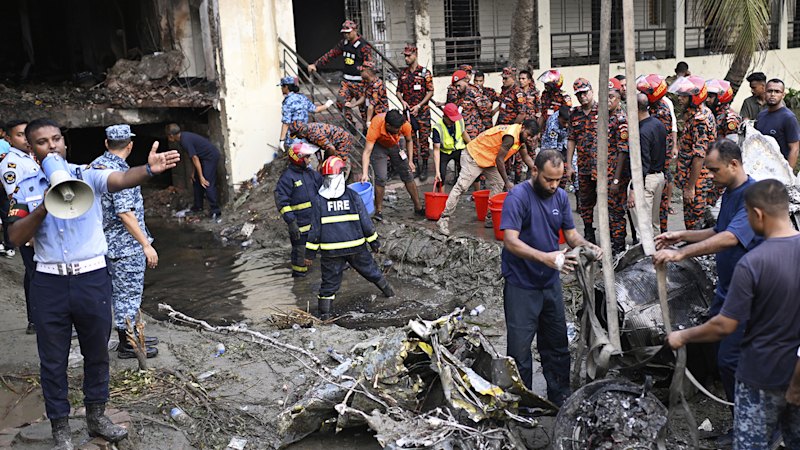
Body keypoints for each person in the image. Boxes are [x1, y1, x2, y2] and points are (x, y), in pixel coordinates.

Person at [6, 118, 180, 449]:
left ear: (64, 142)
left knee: (97, 352)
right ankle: (60, 430)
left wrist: (150, 169)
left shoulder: (86, 174)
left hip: (92, 279)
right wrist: (46, 204)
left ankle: (97, 416)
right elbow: (15, 236)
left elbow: (121, 178)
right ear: (32, 148)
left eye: (56, 138)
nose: (52, 145)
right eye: (42, 142)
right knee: (53, 360)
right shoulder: (25, 185)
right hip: (50, 281)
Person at [666, 179, 800, 450]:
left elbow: (724, 326)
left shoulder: (752, 263)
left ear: (758, 214)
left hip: (761, 379)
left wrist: (682, 336)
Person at [654, 139, 759, 434]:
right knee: (721, 357)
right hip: (727, 289)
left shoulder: (754, 195)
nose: (709, 176)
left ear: (734, 164)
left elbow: (731, 238)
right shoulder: (730, 193)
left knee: (732, 360)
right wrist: (681, 235)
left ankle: (747, 426)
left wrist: (681, 253)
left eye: (714, 170)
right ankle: (740, 419)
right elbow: (718, 230)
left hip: (747, 296)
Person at [501, 149, 602, 406]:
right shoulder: (517, 197)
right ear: (534, 171)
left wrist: (588, 246)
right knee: (520, 350)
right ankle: (521, 403)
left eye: (559, 180)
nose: (554, 185)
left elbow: (571, 236)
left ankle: (559, 395)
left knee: (556, 344)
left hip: (549, 284)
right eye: (549, 179)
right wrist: (548, 258)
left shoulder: (559, 198)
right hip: (521, 286)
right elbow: (510, 242)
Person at [92, 125, 159, 360]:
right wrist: (145, 244)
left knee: (121, 293)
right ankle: (128, 344)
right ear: (130, 145)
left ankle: (130, 335)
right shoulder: (119, 172)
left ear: (106, 143)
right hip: (124, 244)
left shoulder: (96, 165)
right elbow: (125, 212)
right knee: (128, 294)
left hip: (105, 241)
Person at [305, 156, 394, 320]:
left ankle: (324, 318)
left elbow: (315, 230)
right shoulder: (353, 196)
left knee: (329, 285)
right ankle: (391, 295)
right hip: (357, 248)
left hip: (331, 252)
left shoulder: (318, 200)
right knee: (372, 272)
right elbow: (366, 223)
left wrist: (309, 255)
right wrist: (374, 242)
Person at [436, 120, 539, 236]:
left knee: (498, 183)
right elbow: (500, 160)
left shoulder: (521, 138)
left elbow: (526, 157)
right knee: (461, 187)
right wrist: (507, 181)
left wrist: (537, 170)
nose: (530, 138)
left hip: (488, 159)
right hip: (474, 156)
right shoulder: (510, 136)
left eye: (532, 137)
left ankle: (490, 216)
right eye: (528, 135)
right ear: (523, 127)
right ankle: (443, 219)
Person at [0, 119, 37, 333]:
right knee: (35, 273)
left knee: (37, 272)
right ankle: (36, 320)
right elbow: (16, 199)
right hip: (28, 225)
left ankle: (40, 318)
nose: (25, 138)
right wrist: (28, 230)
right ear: (8, 138)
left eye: (27, 134)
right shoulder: (11, 164)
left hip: (40, 224)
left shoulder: (31, 157)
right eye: (20, 135)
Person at [668, 76, 717, 230]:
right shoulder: (696, 114)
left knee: (694, 224)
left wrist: (690, 187)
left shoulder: (699, 120)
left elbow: (699, 156)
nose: (680, 99)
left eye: (684, 96)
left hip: (698, 180)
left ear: (694, 97)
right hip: (694, 178)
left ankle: (696, 252)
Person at [359, 110, 423, 221]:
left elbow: (409, 140)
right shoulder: (375, 126)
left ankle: (418, 207)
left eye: (400, 128)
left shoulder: (404, 125)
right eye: (396, 129)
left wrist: (410, 160)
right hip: (379, 146)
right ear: (387, 125)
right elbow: (367, 151)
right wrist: (364, 173)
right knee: (381, 178)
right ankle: (378, 211)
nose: (399, 130)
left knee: (407, 174)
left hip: (396, 145)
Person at [307, 20, 372, 125]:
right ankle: (350, 124)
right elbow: (331, 54)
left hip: (360, 83)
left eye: (348, 32)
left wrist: (366, 80)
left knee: (364, 109)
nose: (346, 35)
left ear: (355, 30)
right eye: (344, 33)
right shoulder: (343, 43)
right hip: (346, 81)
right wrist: (316, 64)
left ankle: (366, 132)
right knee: (341, 102)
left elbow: (369, 64)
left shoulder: (363, 46)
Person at [636, 74, 678, 232]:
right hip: (651, 158)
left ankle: (662, 233)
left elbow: (665, 134)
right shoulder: (651, 107)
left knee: (659, 202)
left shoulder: (662, 110)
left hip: (658, 159)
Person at [275, 143, 323, 278]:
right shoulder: (287, 178)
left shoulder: (312, 174)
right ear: (298, 158)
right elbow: (282, 202)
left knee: (318, 251)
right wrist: (291, 223)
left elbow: (323, 189)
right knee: (300, 255)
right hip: (299, 227)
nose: (309, 160)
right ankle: (299, 286)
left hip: (315, 224)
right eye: (307, 157)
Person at [565, 78, 599, 243]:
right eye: (579, 94)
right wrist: (569, 165)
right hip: (584, 166)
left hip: (602, 167)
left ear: (591, 91)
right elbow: (571, 139)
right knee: (585, 201)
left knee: (609, 201)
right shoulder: (574, 114)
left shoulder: (603, 110)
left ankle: (612, 234)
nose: (582, 97)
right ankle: (588, 231)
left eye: (585, 93)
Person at [628, 93, 667, 235]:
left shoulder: (641, 132)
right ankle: (659, 253)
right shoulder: (658, 124)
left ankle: (647, 255)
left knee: (643, 226)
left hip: (646, 181)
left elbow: (643, 163)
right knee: (654, 223)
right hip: (659, 177)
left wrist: (633, 189)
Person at [165, 124, 222, 220]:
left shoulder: (185, 140)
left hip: (210, 157)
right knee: (196, 181)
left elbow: (195, 158)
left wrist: (201, 177)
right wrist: (193, 173)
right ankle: (197, 207)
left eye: (167, 136)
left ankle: (216, 211)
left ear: (171, 136)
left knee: (206, 182)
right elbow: (193, 157)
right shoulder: (182, 138)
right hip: (202, 158)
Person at [396, 44, 434, 180]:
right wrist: (402, 101)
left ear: (415, 55)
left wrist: (419, 105)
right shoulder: (403, 74)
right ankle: (415, 165)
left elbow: (430, 91)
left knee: (424, 140)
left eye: (408, 55)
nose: (406, 58)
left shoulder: (425, 73)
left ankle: (424, 167)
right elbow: (398, 92)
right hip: (408, 113)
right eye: (405, 56)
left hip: (422, 112)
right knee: (410, 139)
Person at [606, 79, 631, 254]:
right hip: (605, 174)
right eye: (605, 97)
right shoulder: (605, 117)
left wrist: (616, 179)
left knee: (616, 214)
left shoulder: (621, 120)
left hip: (616, 175)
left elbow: (623, 152)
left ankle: (619, 250)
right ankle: (613, 248)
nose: (608, 100)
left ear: (618, 99)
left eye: (611, 97)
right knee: (609, 213)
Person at [755, 78, 800, 169]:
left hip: (779, 171)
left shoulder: (788, 118)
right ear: (764, 93)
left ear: (783, 95)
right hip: (760, 168)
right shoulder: (761, 115)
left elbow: (794, 149)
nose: (772, 94)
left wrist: (788, 175)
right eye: (769, 91)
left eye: (777, 91)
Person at [278, 76, 333, 149]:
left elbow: (286, 123)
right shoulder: (302, 97)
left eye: (282, 86)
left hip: (293, 138)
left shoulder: (287, 101)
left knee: (295, 158)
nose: (281, 88)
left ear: (286, 87)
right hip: (304, 135)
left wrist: (281, 140)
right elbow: (315, 109)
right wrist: (326, 105)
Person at [432, 103, 471, 186]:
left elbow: (464, 133)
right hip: (445, 152)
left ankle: (475, 195)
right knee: (441, 177)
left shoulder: (459, 120)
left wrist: (472, 147)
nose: (453, 121)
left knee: (471, 169)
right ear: (444, 116)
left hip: (458, 150)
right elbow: (436, 150)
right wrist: (437, 172)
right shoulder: (437, 128)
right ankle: (441, 197)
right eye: (451, 119)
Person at [288, 121, 355, 163]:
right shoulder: (307, 133)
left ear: (301, 133)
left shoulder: (315, 134)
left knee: (337, 163)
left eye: (296, 136)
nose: (297, 138)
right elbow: (316, 148)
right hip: (331, 143)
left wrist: (325, 161)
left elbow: (331, 149)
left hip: (343, 140)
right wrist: (320, 162)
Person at [451, 69, 491, 139]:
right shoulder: (460, 93)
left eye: (459, 85)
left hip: (474, 131)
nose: (457, 88)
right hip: (463, 130)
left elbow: (485, 111)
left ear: (465, 81)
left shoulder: (474, 92)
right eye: (456, 86)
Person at [346, 61, 388, 126]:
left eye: (362, 71)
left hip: (378, 116)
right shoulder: (366, 82)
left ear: (368, 72)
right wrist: (353, 105)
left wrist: (368, 122)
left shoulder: (377, 85)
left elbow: (371, 105)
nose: (360, 73)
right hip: (370, 114)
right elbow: (364, 96)